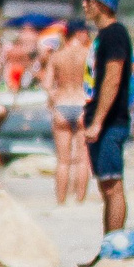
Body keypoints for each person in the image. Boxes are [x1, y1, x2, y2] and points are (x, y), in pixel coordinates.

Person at [80, 0, 134, 259]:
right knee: (106, 186)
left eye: (88, 0)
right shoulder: (103, 35)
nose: (84, 6)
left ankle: (114, 248)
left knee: (113, 186)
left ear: (101, 4)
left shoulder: (114, 34)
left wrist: (99, 120)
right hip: (99, 118)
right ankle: (107, 247)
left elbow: (113, 79)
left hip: (110, 122)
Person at [46, 21, 91, 204]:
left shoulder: (57, 56)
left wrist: (54, 99)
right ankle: (79, 200)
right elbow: (94, 84)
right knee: (82, 160)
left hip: (62, 104)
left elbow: (48, 85)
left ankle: (61, 200)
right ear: (80, 33)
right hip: (82, 104)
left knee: (63, 161)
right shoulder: (89, 55)